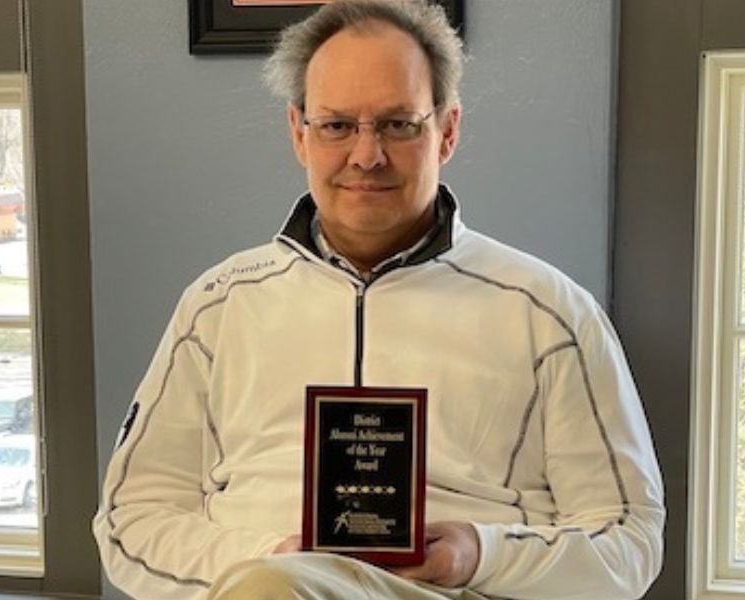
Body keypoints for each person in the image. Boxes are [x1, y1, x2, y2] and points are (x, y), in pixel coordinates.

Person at [93, 1, 665, 598]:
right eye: (337, 125)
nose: (367, 156)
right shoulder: (217, 307)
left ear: (447, 131)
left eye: (398, 124)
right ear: (299, 133)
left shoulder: (550, 314)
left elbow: (629, 539)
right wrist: (269, 558)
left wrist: (479, 552)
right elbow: (131, 521)